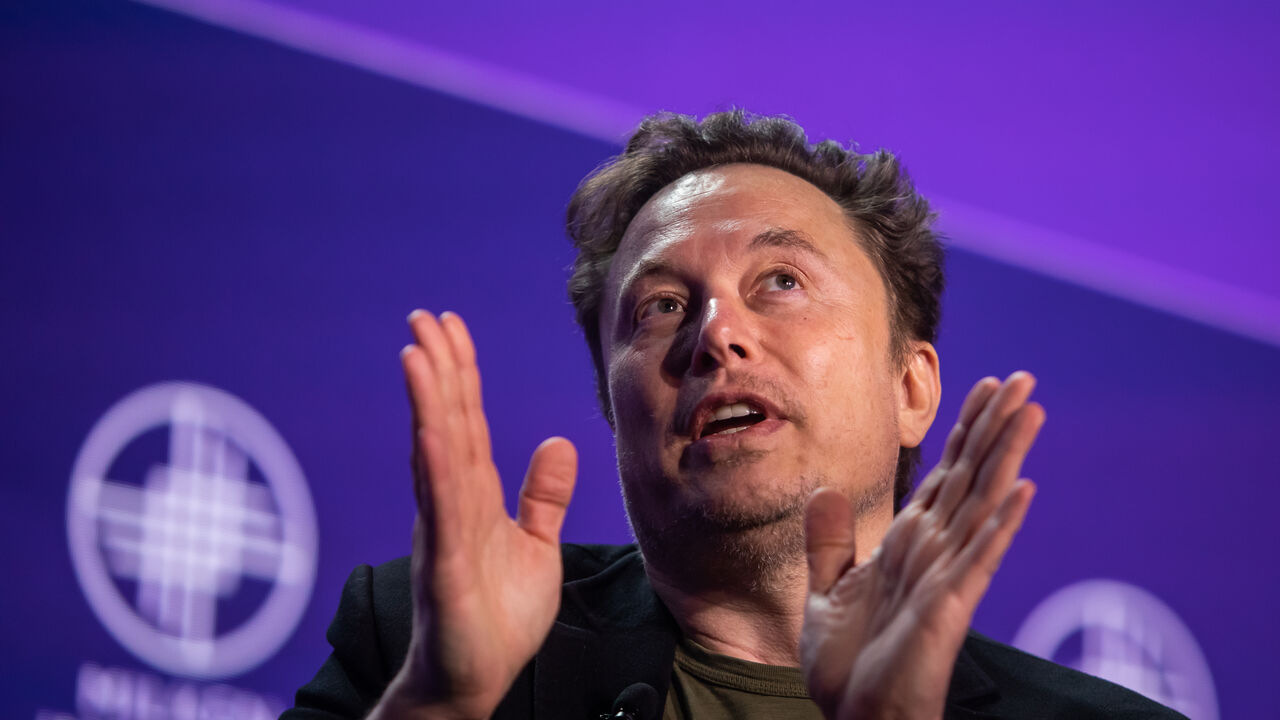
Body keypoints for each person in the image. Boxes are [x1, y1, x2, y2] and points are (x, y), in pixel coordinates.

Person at [283, 111, 1184, 719]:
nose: (716, 335)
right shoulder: (412, 640)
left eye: (781, 281)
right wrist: (441, 704)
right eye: (662, 307)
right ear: (614, 411)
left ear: (910, 388)